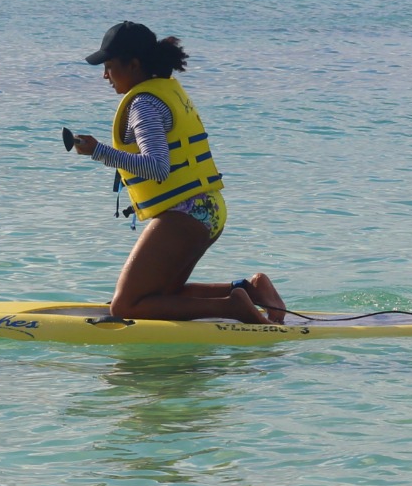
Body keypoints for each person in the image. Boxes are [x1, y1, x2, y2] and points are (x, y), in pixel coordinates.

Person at [70, 21, 288, 323]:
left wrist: (98, 151)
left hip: (185, 213)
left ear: (133, 65)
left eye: (109, 66)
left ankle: (232, 307)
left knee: (125, 307)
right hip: (207, 207)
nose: (105, 75)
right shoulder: (164, 93)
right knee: (162, 295)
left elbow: (158, 166)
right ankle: (249, 290)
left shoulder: (143, 104)